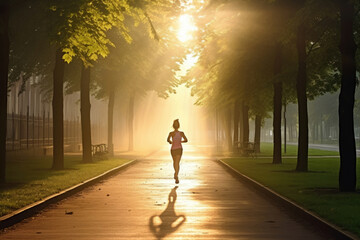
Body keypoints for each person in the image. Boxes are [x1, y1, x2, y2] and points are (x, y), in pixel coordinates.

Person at [167, 119, 188, 184]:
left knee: (175, 162)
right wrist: (180, 141)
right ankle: (176, 174)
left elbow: (168, 140)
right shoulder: (181, 133)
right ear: (179, 126)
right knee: (177, 162)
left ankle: (176, 174)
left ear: (173, 126)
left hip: (173, 149)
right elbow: (186, 140)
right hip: (179, 148)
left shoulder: (171, 133)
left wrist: (171, 142)